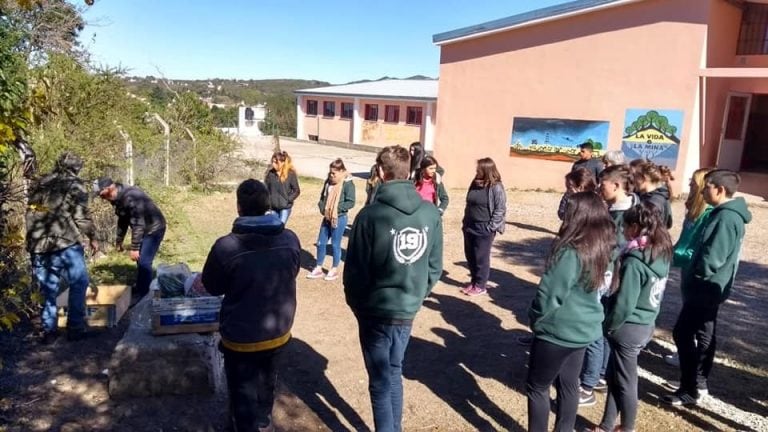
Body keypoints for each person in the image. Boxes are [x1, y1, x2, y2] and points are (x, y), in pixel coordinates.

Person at [344, 145, 443, 432]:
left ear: (379, 172)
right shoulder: (429, 213)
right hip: (406, 308)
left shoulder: (369, 216)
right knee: (394, 372)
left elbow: (354, 271)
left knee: (379, 381)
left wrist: (359, 305)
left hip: (376, 311)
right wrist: (416, 295)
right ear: (409, 171)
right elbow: (435, 267)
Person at [201, 179, 300, 432]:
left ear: (238, 207)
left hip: (240, 337)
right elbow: (293, 271)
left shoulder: (226, 246)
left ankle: (247, 425)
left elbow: (212, 286)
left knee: (242, 392)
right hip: (278, 331)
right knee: (267, 381)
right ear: (268, 206)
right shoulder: (289, 239)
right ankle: (264, 420)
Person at [527, 191, 615, 432]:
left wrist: (535, 319)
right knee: (569, 384)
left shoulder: (570, 251)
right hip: (583, 331)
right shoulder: (604, 247)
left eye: (569, 209)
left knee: (537, 387)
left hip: (558, 331)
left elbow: (549, 294)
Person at [664, 169, 752, 406]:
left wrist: (697, 273)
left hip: (705, 289)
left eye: (707, 187)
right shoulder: (722, 214)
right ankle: (693, 384)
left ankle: (691, 387)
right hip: (706, 288)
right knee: (696, 332)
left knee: (684, 333)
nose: (703, 190)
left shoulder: (726, 218)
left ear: (720, 190)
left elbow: (713, 258)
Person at [591, 202, 672, 432]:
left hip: (628, 326)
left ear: (635, 227)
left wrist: (609, 325)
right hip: (645, 323)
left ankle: (627, 428)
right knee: (615, 376)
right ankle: (607, 425)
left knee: (626, 382)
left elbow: (625, 303)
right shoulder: (661, 252)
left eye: (625, 226)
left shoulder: (634, 262)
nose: (623, 231)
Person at [26, 153, 99, 343]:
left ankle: (49, 331)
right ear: (76, 168)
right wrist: (92, 236)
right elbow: (81, 217)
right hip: (65, 242)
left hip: (37, 245)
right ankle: (75, 328)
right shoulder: (74, 184)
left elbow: (31, 214)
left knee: (48, 289)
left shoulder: (40, 182)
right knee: (79, 282)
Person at [663, 167, 714, 368]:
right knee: (687, 310)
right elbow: (684, 240)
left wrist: (674, 257)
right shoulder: (693, 209)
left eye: (693, 182)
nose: (690, 185)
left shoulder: (708, 214)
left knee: (694, 319)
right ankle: (684, 350)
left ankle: (690, 358)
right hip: (685, 268)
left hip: (695, 269)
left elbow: (696, 246)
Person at [95, 177, 166, 301]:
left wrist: (134, 248)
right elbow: (123, 220)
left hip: (154, 228)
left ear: (109, 188)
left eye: (102, 195)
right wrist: (119, 241)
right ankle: (141, 288)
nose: (102, 198)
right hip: (143, 228)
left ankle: (145, 297)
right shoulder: (116, 198)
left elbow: (138, 223)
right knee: (140, 261)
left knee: (144, 262)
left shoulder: (131, 197)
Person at [461, 157, 507, 296]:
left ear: (486, 170)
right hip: (470, 225)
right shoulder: (475, 183)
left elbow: (500, 208)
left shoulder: (496, 187)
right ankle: (474, 281)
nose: (476, 171)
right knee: (470, 256)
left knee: (481, 257)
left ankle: (481, 285)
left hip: (484, 228)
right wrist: (465, 222)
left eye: (479, 169)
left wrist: (491, 226)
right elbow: (469, 203)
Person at [306, 158, 356, 281]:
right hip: (327, 217)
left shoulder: (347, 183)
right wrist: (323, 207)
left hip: (339, 218)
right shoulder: (328, 182)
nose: (331, 175)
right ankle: (318, 267)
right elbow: (322, 197)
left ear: (341, 171)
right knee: (320, 243)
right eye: (330, 172)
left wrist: (336, 209)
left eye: (334, 173)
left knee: (335, 244)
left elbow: (351, 202)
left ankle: (334, 269)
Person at [633, 160, 674, 229]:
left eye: (635, 177)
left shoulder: (654, 202)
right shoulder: (646, 195)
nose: (633, 180)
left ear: (644, 178)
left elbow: (650, 230)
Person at [264, 150, 300, 224]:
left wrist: (288, 199)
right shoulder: (270, 174)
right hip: (272, 208)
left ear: (281, 162)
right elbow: (266, 190)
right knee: (272, 227)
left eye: (275, 162)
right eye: (272, 162)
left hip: (285, 208)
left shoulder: (290, 174)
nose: (273, 164)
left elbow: (296, 191)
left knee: (280, 227)